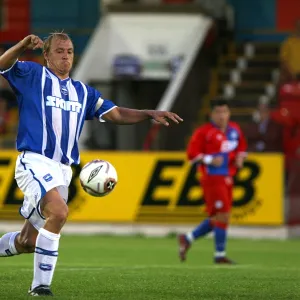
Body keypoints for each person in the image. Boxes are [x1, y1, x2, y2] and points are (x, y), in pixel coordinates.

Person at [0, 32, 183, 297]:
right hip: (35, 161)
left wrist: (148, 114)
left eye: (70, 51)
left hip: (62, 170)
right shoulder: (33, 75)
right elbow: (3, 65)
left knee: (27, 241)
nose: (65, 56)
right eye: (60, 51)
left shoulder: (83, 92)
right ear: (47, 55)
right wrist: (21, 45)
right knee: (59, 214)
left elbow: (116, 113)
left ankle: (33, 269)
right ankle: (40, 287)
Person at [178, 99, 247, 264]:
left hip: (228, 177)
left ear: (229, 113)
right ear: (212, 114)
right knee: (222, 215)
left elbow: (242, 148)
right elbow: (191, 154)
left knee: (220, 216)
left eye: (225, 112)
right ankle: (219, 254)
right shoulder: (204, 132)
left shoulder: (234, 130)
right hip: (212, 178)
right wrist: (209, 159)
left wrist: (240, 158)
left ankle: (188, 238)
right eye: (218, 112)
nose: (222, 116)